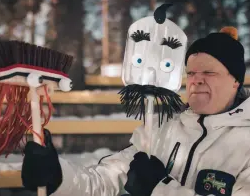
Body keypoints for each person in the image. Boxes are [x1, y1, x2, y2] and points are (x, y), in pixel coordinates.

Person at [22, 26, 250, 196]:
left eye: (209, 73)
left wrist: (159, 190)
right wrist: (58, 176)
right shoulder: (162, 129)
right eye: (191, 73)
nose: (196, 81)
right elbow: (104, 180)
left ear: (236, 82)